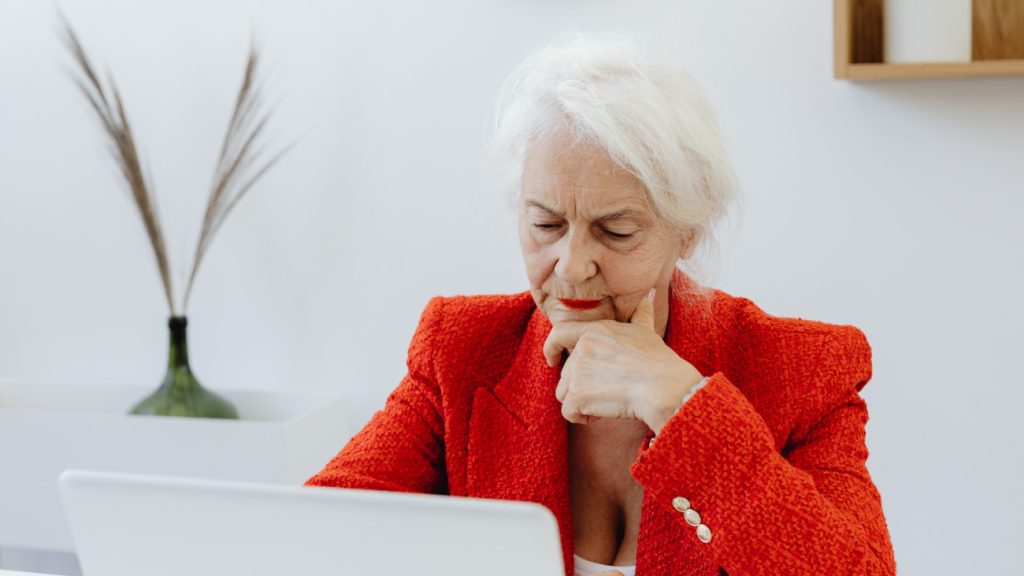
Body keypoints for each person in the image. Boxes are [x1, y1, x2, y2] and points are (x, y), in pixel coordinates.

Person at [306, 33, 896, 576]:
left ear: (687, 232)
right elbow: (310, 540)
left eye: (615, 232)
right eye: (546, 224)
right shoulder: (461, 351)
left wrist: (685, 408)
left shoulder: (803, 370)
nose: (571, 265)